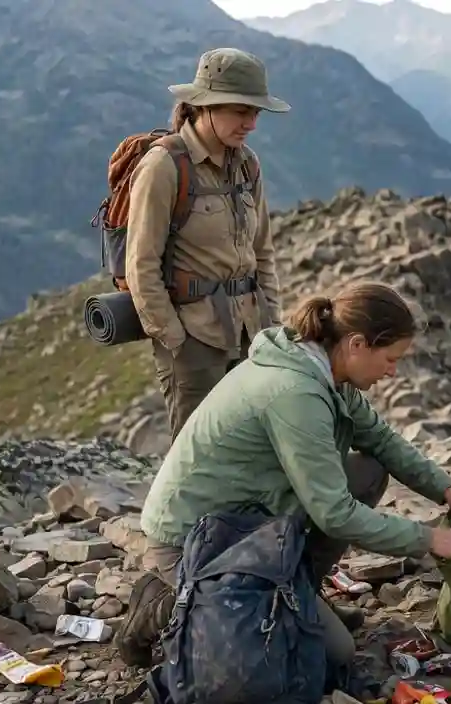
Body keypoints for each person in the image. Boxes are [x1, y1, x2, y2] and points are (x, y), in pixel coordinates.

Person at [118, 282, 451, 668]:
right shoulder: (296, 392)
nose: (392, 372)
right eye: (390, 359)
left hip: (249, 519)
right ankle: (160, 604)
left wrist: (446, 489)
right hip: (194, 541)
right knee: (332, 656)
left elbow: (380, 440)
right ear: (357, 344)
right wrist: (427, 539)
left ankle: (300, 593)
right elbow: (334, 513)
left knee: (368, 470)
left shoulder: (326, 372)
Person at [125, 47, 289, 441]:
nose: (250, 123)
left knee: (248, 443)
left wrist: (272, 323)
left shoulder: (247, 164)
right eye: (240, 111)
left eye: (256, 113)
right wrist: (175, 340)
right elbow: (141, 264)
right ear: (204, 106)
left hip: (250, 332)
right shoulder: (164, 166)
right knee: (197, 454)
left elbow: (261, 250)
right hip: (194, 340)